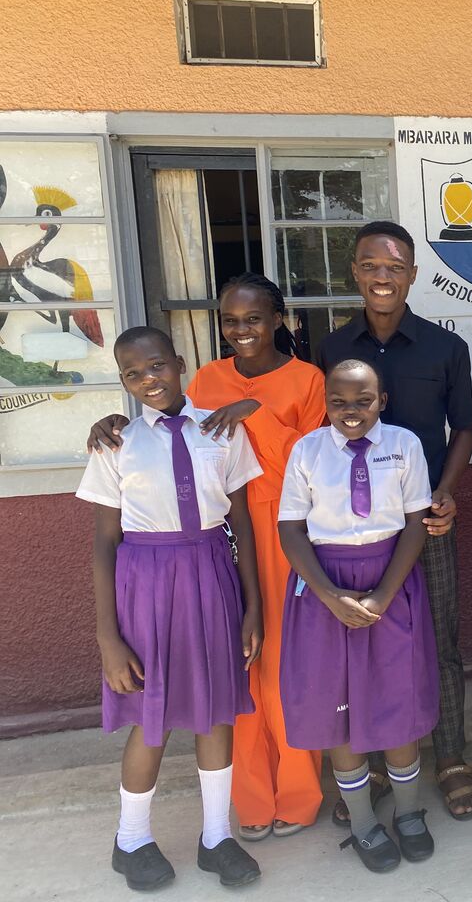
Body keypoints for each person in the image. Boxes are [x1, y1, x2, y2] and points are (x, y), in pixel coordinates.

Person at [87, 273, 329, 840]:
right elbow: (171, 427)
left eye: (253, 318)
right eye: (230, 320)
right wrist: (110, 421)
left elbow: (316, 457)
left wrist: (254, 409)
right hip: (222, 539)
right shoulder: (207, 378)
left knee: (285, 663)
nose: (241, 329)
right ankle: (248, 801)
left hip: (291, 529)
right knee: (237, 667)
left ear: (278, 320)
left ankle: (297, 792)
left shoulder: (307, 378)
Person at [77, 326, 264, 891]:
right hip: (146, 583)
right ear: (123, 383)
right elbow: (104, 543)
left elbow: (242, 523)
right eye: (134, 374)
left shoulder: (221, 431)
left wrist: (252, 606)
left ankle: (216, 836)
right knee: (150, 712)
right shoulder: (116, 443)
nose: (148, 380)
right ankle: (130, 838)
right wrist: (109, 640)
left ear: (180, 364)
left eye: (156, 366)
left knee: (214, 709)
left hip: (210, 575)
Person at [320, 221, 472, 821]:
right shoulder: (334, 348)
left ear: (413, 274)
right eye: (370, 265)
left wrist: (445, 492)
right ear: (355, 273)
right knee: (367, 643)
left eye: (394, 267)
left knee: (439, 640)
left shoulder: (447, 349)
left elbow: (463, 429)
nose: (381, 277)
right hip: (357, 532)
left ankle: (450, 758)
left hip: (427, 522)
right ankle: (382, 763)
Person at [277, 359, 440, 872]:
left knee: (398, 699)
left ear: (382, 401)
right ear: (325, 402)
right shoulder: (306, 451)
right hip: (326, 586)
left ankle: (410, 814)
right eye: (340, 402)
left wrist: (385, 595)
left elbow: (415, 524)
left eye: (363, 401)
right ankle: (365, 822)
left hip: (391, 578)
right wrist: (328, 596)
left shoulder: (405, 445)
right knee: (338, 706)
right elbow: (290, 530)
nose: (352, 411)